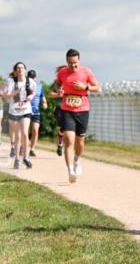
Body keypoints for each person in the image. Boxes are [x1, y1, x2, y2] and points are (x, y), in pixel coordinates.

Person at [56, 49, 99, 183]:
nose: (73, 65)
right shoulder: (62, 72)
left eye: (75, 62)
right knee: (69, 140)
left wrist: (85, 87)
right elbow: (58, 84)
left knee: (80, 142)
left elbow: (97, 87)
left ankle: (77, 159)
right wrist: (59, 90)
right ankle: (70, 171)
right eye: (70, 63)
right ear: (67, 61)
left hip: (83, 109)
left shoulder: (86, 72)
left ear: (79, 60)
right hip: (67, 110)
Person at [3, 62, 36, 169]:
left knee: (25, 134)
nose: (20, 69)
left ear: (25, 70)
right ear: (15, 71)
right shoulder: (11, 81)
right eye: (18, 68)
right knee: (17, 136)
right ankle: (17, 158)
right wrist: (17, 91)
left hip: (26, 110)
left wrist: (31, 96)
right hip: (14, 111)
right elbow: (6, 97)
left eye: (22, 68)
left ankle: (26, 157)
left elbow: (34, 91)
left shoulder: (30, 81)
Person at [27, 69, 46, 158]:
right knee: (26, 131)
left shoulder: (39, 87)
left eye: (33, 77)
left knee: (35, 130)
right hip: (25, 111)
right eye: (30, 77)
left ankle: (32, 149)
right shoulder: (25, 86)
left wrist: (45, 103)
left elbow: (43, 98)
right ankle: (23, 146)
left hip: (36, 111)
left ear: (35, 78)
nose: (32, 79)